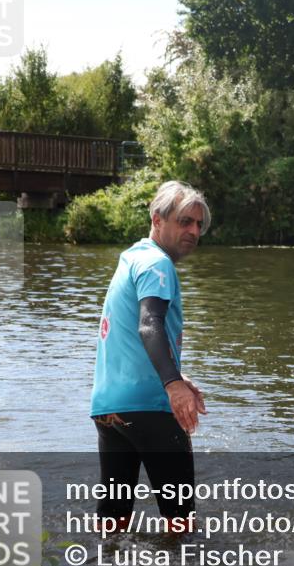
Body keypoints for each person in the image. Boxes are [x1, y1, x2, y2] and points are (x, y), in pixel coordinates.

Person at [90, 180, 209, 531]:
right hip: (150, 409)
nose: (194, 231)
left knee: (112, 522)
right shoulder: (158, 265)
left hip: (109, 409)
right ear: (158, 219)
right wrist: (172, 385)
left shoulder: (132, 258)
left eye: (199, 224)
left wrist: (177, 377)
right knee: (181, 523)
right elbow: (149, 325)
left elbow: (127, 337)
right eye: (185, 221)